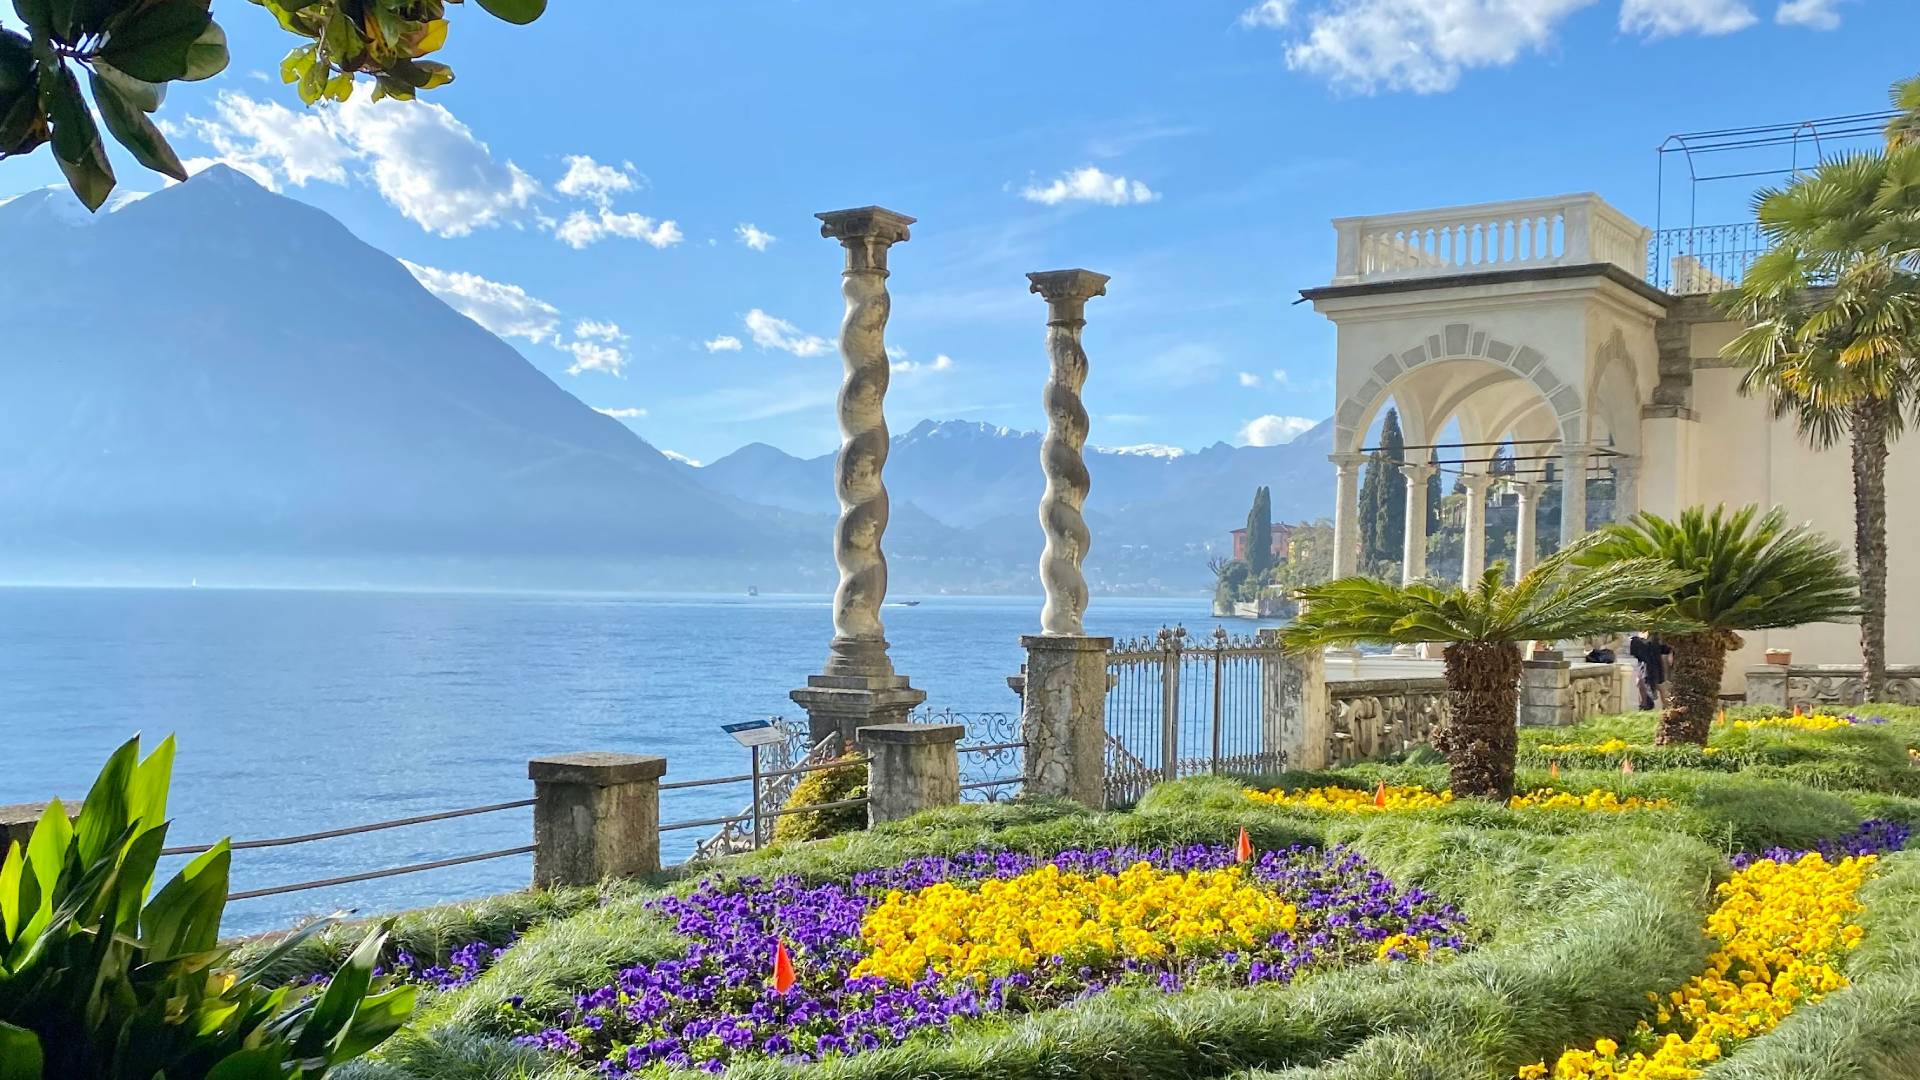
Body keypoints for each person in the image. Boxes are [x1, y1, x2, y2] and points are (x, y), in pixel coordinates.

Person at [1628, 631, 1673, 711]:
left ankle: (1668, 708)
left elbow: (1665, 649)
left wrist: (1671, 653)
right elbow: (1635, 653)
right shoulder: (1636, 640)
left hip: (1655, 666)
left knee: (1660, 686)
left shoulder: (1655, 638)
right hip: (1644, 666)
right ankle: (1644, 705)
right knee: (1641, 684)